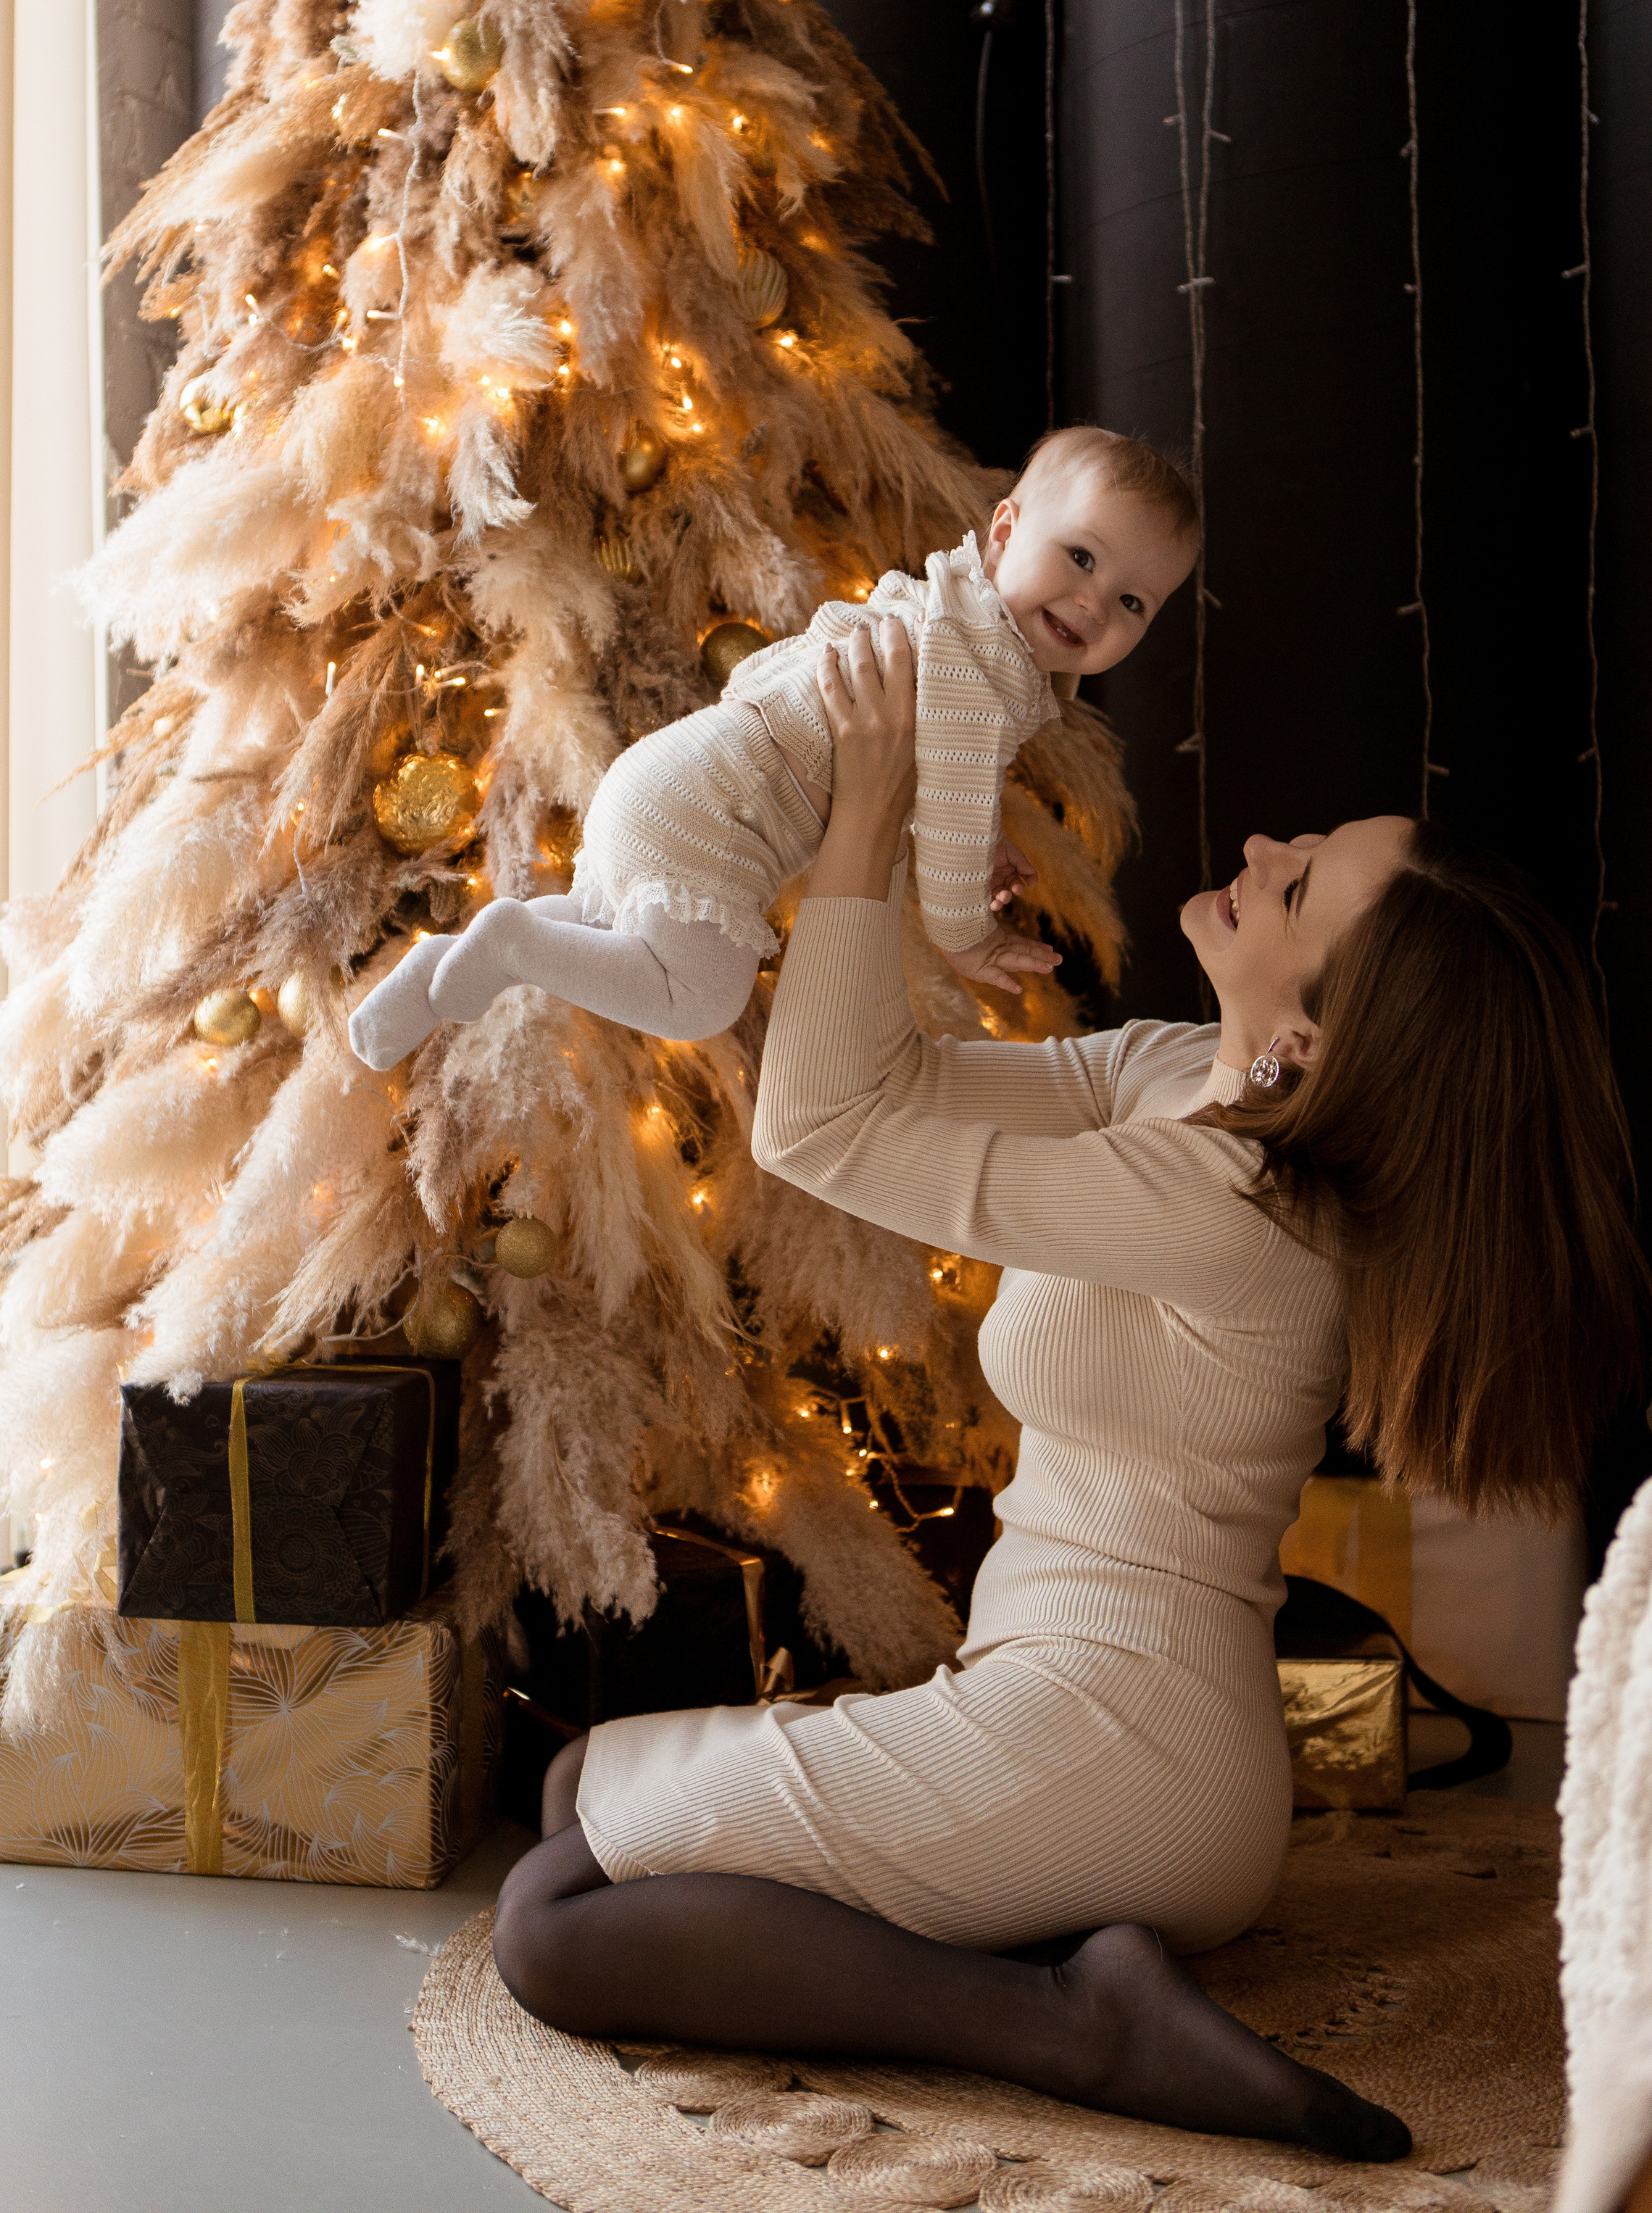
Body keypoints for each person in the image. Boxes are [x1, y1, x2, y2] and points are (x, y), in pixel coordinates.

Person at [490, 615, 1648, 2157]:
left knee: (553, 1922)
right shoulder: (1176, 1078)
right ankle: (1055, 1946)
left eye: (1295, 879)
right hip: (1073, 1705)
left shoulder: (1228, 1205)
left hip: (1118, 1741)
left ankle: (1073, 2022)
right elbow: (868, 1091)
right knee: (575, 1789)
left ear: (1307, 1038)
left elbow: (814, 1138)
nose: (1259, 841)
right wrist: (908, 888)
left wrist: (866, 805)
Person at [346, 425, 1198, 1065]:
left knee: (605, 931)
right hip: (708, 820)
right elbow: (946, 832)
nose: (1094, 603)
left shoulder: (954, 623)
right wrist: (967, 938)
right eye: (1080, 556)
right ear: (1005, 532)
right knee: (695, 1000)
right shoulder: (976, 672)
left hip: (672, 784)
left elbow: (932, 779)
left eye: (1133, 602)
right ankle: (508, 943)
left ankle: (433, 979)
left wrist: (988, 838)